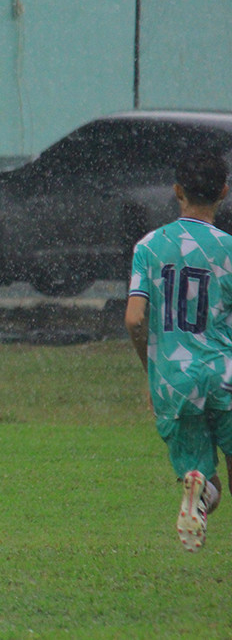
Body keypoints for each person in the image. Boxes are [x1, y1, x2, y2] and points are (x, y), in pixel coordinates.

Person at [126, 150, 232, 552]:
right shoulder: (228, 249)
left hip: (174, 379)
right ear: (224, 191)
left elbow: (135, 318)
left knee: (207, 481)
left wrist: (153, 369)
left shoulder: (149, 247)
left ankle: (200, 492)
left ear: (177, 191)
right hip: (224, 373)